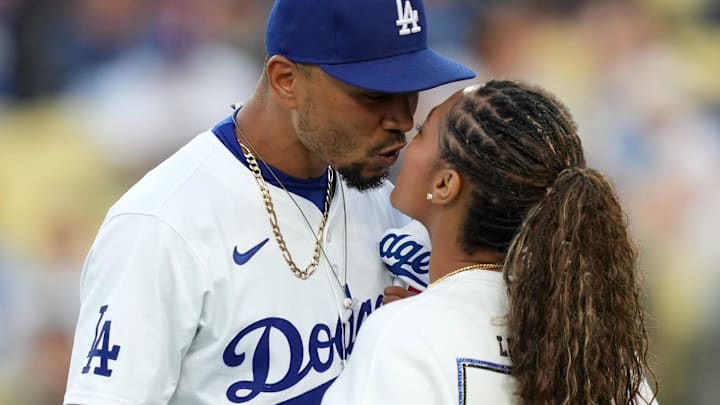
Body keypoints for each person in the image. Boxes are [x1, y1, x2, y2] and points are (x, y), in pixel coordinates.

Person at [62, 0, 475, 404]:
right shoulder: (161, 224)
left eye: (409, 89)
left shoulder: (392, 206)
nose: (402, 120)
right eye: (373, 95)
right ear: (286, 80)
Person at [322, 79, 659, 404]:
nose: (408, 138)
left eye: (423, 132)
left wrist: (413, 327)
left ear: (444, 185)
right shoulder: (608, 358)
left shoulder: (401, 336)